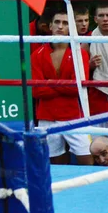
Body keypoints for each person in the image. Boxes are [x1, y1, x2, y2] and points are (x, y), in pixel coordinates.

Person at [31, 10, 92, 165]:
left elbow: (76, 88)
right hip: (47, 116)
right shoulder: (37, 55)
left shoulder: (80, 54)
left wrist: (49, 82)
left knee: (87, 157)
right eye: (57, 22)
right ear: (50, 26)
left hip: (74, 116)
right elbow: (37, 90)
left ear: (71, 28)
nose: (60, 26)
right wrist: (63, 84)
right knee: (54, 163)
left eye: (65, 23)